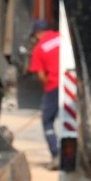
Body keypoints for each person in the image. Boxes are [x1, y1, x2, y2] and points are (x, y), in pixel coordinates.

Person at [26, 18, 61, 159]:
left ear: (38, 33)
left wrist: (48, 87)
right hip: (71, 84)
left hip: (53, 85)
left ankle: (56, 154)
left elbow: (41, 76)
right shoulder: (61, 37)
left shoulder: (39, 49)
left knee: (47, 121)